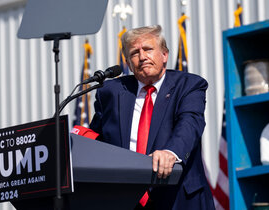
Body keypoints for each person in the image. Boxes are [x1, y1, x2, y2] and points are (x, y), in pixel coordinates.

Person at [90, 25, 215, 210]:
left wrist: (171, 152)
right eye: (134, 53)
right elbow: (93, 138)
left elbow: (190, 123)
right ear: (128, 63)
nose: (142, 57)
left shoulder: (189, 85)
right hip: (126, 200)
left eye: (148, 49)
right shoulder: (111, 92)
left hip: (179, 198)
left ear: (164, 54)